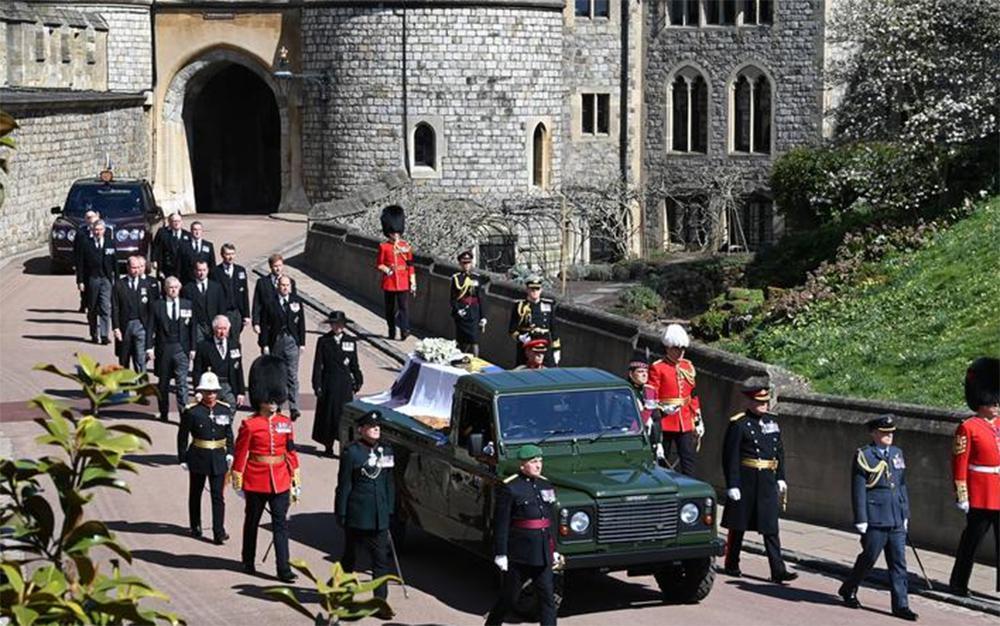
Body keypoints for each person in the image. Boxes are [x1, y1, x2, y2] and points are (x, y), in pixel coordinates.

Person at [838, 415, 917, 621]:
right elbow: (858, 490)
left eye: (891, 433)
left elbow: (902, 485)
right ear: (874, 433)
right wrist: (861, 518)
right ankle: (849, 588)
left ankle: (901, 605)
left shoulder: (897, 453)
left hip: (896, 517)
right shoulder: (865, 455)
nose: (888, 436)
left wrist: (905, 513)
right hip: (875, 516)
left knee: (899, 563)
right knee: (869, 557)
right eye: (884, 433)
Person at [720, 377, 797, 584]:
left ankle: (778, 569)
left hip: (767, 480)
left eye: (765, 402)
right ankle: (732, 562)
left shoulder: (772, 424)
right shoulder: (739, 424)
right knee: (739, 524)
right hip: (747, 479)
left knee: (771, 526)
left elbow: (780, 453)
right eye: (759, 402)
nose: (763, 406)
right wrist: (732, 484)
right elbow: (730, 457)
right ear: (750, 402)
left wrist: (781, 477)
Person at [232, 355, 301, 583]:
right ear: (260, 397)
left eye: (275, 399)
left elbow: (290, 452)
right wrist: (238, 477)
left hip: (280, 479)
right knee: (252, 521)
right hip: (256, 479)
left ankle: (283, 568)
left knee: (280, 525)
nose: (273, 403)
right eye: (269, 399)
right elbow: (241, 453)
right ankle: (247, 559)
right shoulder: (249, 425)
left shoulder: (285, 423)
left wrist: (295, 478)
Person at [486, 444, 558, 626]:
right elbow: (501, 523)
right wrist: (501, 553)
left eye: (540, 461)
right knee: (509, 598)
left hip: (542, 553)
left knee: (548, 599)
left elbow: (550, 519)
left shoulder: (545, 484)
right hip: (520, 555)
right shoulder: (511, 488)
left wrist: (554, 549)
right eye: (533, 462)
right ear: (522, 465)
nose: (538, 465)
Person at [949, 356, 999, 596]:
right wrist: (962, 495)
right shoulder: (968, 427)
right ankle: (958, 582)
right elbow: (960, 463)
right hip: (980, 495)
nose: (997, 405)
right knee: (972, 542)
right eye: (993, 401)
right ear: (982, 400)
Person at [335, 410, 396, 600]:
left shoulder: (386, 450)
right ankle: (342, 593)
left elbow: (389, 482)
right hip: (358, 514)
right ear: (361, 430)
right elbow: (344, 485)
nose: (376, 429)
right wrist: (341, 512)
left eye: (378, 426)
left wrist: (390, 509)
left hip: (379, 515)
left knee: (381, 560)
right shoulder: (352, 452)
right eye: (371, 426)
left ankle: (380, 601)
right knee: (350, 557)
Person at [178, 372, 234, 545]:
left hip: (218, 456)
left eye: (214, 392)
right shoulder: (192, 412)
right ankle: (195, 525)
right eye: (208, 392)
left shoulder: (224, 409)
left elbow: (229, 434)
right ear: (201, 392)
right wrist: (183, 458)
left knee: (218, 496)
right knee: (196, 493)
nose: (211, 396)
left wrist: (230, 452)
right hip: (198, 456)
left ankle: (219, 531)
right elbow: (182, 436)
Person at [648, 324, 703, 476]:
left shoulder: (688, 366)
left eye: (682, 349)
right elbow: (651, 396)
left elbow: (692, 395)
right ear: (667, 348)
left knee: (688, 459)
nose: (680, 353)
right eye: (676, 348)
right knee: (662, 460)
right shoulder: (657, 368)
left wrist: (698, 419)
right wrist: (660, 409)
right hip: (665, 420)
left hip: (685, 421)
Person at [312, 311, 363, 457]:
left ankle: (344, 446)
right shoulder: (324, 341)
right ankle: (328, 445)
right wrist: (317, 384)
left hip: (345, 384)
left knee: (344, 416)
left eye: (340, 324)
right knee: (329, 415)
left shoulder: (350, 341)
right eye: (334, 324)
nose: (337, 327)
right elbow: (318, 365)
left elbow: (354, 363)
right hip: (329, 382)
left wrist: (358, 378)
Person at [147, 276, 196, 421]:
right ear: (165, 289)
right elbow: (150, 328)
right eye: (170, 288)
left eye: (175, 287)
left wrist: (193, 348)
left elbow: (192, 328)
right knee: (163, 384)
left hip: (182, 348)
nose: (173, 290)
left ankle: (184, 414)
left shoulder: (187, 305)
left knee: (182, 384)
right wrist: (149, 348)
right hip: (164, 350)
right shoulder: (157, 306)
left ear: (179, 288)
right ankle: (163, 412)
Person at [258, 275, 306, 420]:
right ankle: (276, 404)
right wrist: (264, 344)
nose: (285, 288)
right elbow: (265, 325)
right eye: (282, 285)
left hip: (292, 341)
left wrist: (302, 343)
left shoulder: (296, 302)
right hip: (276, 341)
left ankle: (294, 407)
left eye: (287, 286)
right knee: (277, 375)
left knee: (292, 375)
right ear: (278, 286)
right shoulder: (270, 302)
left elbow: (301, 324)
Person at [111, 255, 158, 373]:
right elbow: (115, 307)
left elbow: (151, 309)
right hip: (125, 326)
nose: (136, 270)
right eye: (133, 267)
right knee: (124, 358)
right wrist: (116, 327)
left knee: (140, 359)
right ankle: (124, 389)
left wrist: (152, 329)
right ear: (127, 267)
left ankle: (141, 388)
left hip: (141, 325)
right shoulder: (119, 284)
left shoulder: (146, 284)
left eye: (138, 267)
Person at [376, 205, 415, 340]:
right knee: (390, 309)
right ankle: (391, 330)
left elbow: (410, 264)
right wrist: (387, 270)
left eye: (397, 233)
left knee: (404, 307)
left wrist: (413, 281)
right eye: (393, 233)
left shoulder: (406, 246)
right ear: (389, 232)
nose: (396, 235)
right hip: (390, 282)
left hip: (403, 281)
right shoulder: (384, 247)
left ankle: (404, 330)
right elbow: (379, 264)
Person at [75, 219, 117, 345]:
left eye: (100, 230)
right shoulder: (86, 243)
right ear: (92, 231)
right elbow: (80, 264)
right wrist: (80, 281)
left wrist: (118, 280)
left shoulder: (110, 242)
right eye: (96, 230)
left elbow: (115, 262)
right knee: (92, 307)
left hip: (106, 279)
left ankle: (104, 335)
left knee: (105, 307)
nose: (98, 232)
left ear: (104, 230)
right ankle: (94, 333)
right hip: (92, 279)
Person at [192, 315, 246, 408]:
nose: (222, 332)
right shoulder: (203, 346)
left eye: (225, 329)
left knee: (231, 407)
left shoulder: (234, 345)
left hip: (229, 385)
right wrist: (198, 391)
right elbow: (197, 370)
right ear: (214, 329)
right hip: (211, 387)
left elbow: (238, 369)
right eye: (219, 329)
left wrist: (241, 392)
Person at [507, 276, 560, 368]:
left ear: (541, 290)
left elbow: (553, 329)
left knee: (549, 370)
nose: (535, 292)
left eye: (537, 289)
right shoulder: (520, 306)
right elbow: (512, 330)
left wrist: (556, 349)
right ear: (527, 290)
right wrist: (521, 338)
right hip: (527, 344)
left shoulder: (548, 305)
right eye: (532, 289)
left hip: (544, 344)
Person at [181, 260, 225, 348]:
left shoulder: (216, 287)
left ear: (208, 270)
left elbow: (221, 308)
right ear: (195, 271)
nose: (202, 273)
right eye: (199, 270)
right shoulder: (188, 289)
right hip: (197, 326)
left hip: (213, 325)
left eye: (204, 270)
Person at [450, 250, 487, 355]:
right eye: (464, 263)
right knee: (462, 341)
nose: (466, 265)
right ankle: (461, 359)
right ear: (460, 264)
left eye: (468, 262)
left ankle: (475, 361)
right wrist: (457, 310)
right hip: (462, 312)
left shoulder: (477, 277)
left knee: (474, 340)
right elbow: (453, 298)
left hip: (474, 312)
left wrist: (483, 316)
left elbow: (481, 298)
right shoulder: (456, 278)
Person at [252, 253, 297, 337]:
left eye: (280, 265)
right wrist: (256, 322)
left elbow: (294, 302)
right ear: (270, 266)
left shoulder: (289, 282)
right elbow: (257, 303)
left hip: (285, 324)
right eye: (275, 266)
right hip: (267, 323)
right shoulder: (262, 282)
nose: (278, 268)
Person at [212, 243, 251, 338]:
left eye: (232, 254)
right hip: (223, 312)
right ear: (222, 255)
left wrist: (246, 315)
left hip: (237, 313)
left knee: (235, 340)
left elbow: (244, 293)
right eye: (228, 254)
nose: (230, 257)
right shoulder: (215, 272)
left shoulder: (240, 270)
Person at [626, 360, 662, 460]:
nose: (644, 375)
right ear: (631, 374)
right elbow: (627, 422)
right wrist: (646, 412)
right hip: (634, 440)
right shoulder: (625, 393)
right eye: (640, 372)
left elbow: (656, 418)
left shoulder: (650, 391)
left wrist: (658, 442)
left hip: (651, 439)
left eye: (646, 372)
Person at [71, 209, 101, 313]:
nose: (91, 219)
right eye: (88, 218)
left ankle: (94, 305)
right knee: (84, 285)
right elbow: (76, 249)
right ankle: (84, 303)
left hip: (97, 265)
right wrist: (75, 263)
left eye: (92, 217)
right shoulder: (81, 232)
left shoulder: (103, 230)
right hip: (84, 263)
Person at [151, 212, 190, 285]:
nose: (176, 223)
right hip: (166, 266)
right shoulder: (163, 233)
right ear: (170, 222)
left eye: (178, 221)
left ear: (181, 222)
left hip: (181, 268)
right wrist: (154, 260)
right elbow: (156, 247)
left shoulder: (187, 235)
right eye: (174, 221)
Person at [178, 221, 215, 285]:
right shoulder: (183, 246)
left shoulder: (208, 245)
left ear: (202, 231)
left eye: (199, 230)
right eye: (195, 230)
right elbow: (178, 265)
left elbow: (212, 264)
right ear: (191, 231)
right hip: (187, 281)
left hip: (203, 280)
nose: (197, 232)